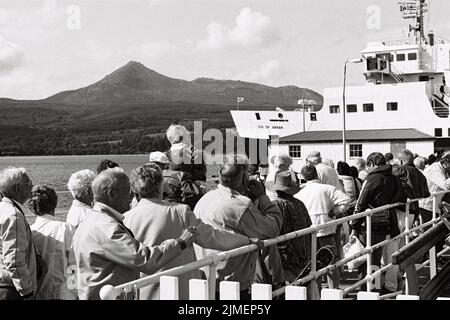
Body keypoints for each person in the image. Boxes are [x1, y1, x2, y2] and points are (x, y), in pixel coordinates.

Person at [124, 164, 252, 300]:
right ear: (161, 185)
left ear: (134, 189)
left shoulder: (126, 218)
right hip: (182, 290)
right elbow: (213, 237)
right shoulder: (180, 212)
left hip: (145, 292)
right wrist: (247, 240)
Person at [73, 168, 197, 300]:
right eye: (127, 190)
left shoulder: (90, 220)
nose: (132, 195)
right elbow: (144, 259)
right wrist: (181, 242)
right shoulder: (106, 227)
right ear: (112, 194)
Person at [194, 155, 283, 299]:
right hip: (231, 281)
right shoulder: (240, 204)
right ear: (244, 179)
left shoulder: (204, 200)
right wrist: (262, 196)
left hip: (204, 276)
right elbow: (272, 229)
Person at [350, 152, 407, 294]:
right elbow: (402, 197)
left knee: (368, 258)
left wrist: (353, 225)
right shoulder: (393, 178)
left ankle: (369, 289)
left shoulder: (372, 179)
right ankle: (375, 287)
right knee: (378, 256)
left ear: (371, 164)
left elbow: (361, 202)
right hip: (387, 221)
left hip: (370, 223)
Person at [295, 164, 351, 289]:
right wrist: (335, 211)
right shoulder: (328, 188)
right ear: (316, 173)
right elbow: (346, 201)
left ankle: (318, 294)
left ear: (303, 176)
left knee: (314, 267)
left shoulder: (299, 193)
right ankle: (334, 292)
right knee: (331, 265)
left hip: (308, 234)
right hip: (326, 231)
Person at [29, 185, 76, 300]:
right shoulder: (65, 228)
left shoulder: (30, 231)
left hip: (37, 293)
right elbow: (75, 264)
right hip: (63, 292)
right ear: (54, 204)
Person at [267, 171, 312, 284]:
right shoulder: (299, 204)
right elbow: (308, 225)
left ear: (277, 190)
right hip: (304, 253)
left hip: (287, 255)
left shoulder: (276, 204)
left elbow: (272, 230)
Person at [0, 167, 37, 300]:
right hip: (12, 289)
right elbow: (14, 260)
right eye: (28, 184)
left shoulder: (3, 209)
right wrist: (27, 293)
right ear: (17, 189)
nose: (32, 186)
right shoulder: (13, 215)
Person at [420, 152, 450, 222]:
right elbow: (445, 186)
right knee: (428, 229)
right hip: (427, 206)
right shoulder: (435, 170)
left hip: (433, 206)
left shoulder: (442, 170)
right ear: (446, 162)